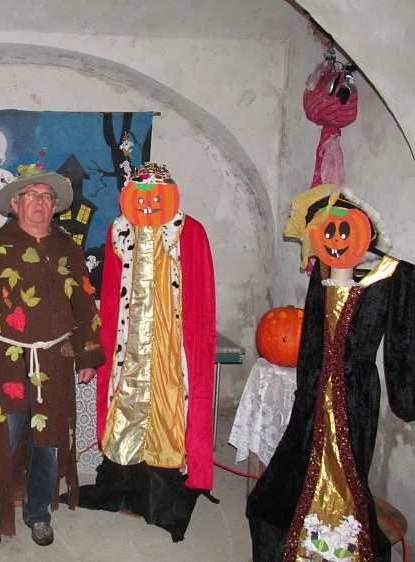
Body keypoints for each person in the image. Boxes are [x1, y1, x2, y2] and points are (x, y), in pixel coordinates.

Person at [247, 184, 415, 561]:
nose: (335, 238)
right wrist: (306, 387)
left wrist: (406, 399)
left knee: (350, 462)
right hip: (316, 387)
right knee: (301, 460)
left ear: (365, 229)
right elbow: (311, 335)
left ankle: (341, 532)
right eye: (327, 230)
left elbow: (403, 341)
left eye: (344, 229)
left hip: (357, 389)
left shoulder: (396, 276)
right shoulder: (322, 270)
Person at [0, 163, 105, 548]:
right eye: (31, 195)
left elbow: (85, 302)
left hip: (54, 361)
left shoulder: (68, 248)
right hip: (5, 361)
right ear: (16, 204)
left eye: (46, 196)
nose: (39, 202)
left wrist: (87, 355)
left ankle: (38, 514)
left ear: (55, 206)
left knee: (47, 444)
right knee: (0, 441)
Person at [71, 162, 217, 542]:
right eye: (141, 196)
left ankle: (161, 492)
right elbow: (109, 293)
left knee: (166, 409)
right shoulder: (119, 231)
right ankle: (122, 484)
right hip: (128, 344)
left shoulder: (190, 232)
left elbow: (201, 297)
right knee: (126, 406)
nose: (149, 202)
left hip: (170, 347)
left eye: (157, 196)